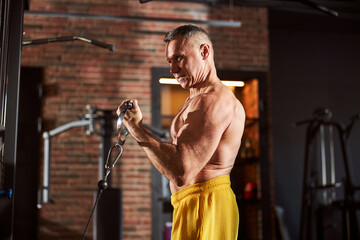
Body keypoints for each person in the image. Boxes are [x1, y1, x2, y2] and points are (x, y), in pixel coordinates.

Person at [117, 24, 245, 240]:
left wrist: (137, 129)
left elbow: (182, 171)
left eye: (179, 58)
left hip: (206, 205)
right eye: (170, 61)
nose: (173, 69)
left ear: (204, 52)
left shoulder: (212, 101)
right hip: (191, 204)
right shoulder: (195, 99)